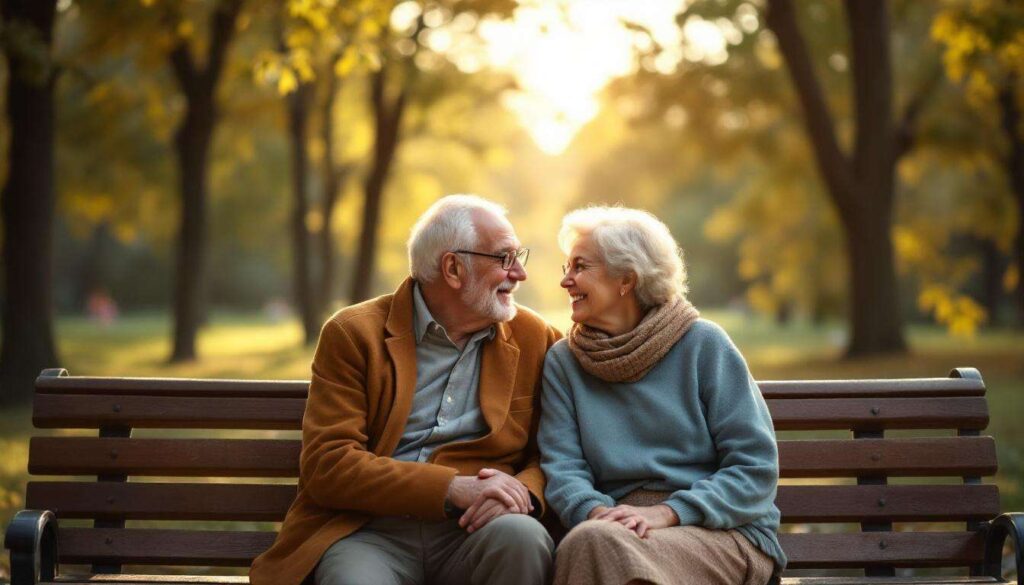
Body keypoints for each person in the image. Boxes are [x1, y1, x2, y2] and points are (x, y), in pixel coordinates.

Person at [250, 195, 561, 585]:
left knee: (523, 537)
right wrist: (452, 487)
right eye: (503, 258)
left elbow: (556, 451)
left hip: (475, 530)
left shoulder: (537, 338)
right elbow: (329, 464)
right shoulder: (353, 333)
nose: (519, 273)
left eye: (519, 257)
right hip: (367, 531)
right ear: (453, 268)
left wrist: (522, 494)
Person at [538, 206, 786, 585]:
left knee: (596, 548)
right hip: (613, 528)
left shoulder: (704, 345)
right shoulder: (563, 362)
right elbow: (563, 467)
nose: (566, 281)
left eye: (580, 267)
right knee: (596, 543)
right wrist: (597, 514)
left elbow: (755, 468)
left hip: (719, 530)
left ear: (626, 279)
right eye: (565, 267)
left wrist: (671, 511)